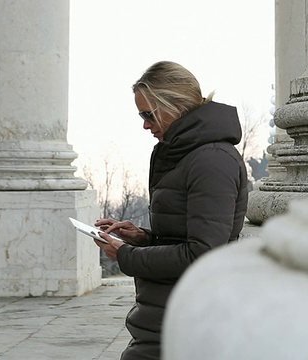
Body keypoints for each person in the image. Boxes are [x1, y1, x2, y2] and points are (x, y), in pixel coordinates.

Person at [93, 60, 249, 360]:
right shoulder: (185, 154)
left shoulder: (212, 160)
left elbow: (202, 252)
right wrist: (142, 238)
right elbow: (186, 238)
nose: (144, 124)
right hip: (167, 317)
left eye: (148, 114)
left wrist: (126, 256)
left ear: (175, 106)